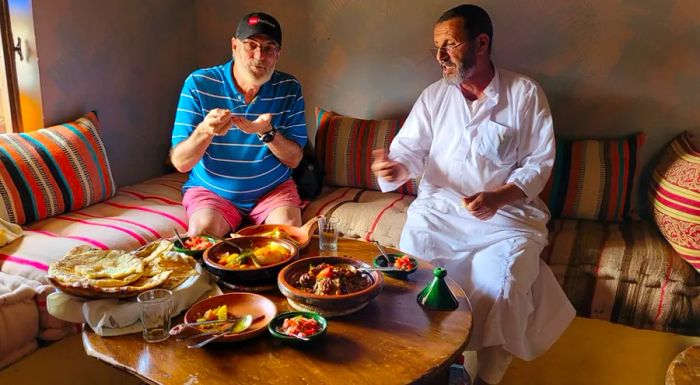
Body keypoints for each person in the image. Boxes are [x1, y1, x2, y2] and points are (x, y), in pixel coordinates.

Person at [371, 4, 575, 385]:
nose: (440, 56)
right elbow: (409, 150)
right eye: (436, 47)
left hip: (505, 219)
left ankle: (484, 380)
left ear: (481, 44)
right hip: (439, 213)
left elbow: (539, 162)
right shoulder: (434, 97)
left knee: (504, 287)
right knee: (416, 284)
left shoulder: (524, 94)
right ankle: (440, 367)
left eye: (449, 44)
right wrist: (396, 168)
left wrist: (498, 196)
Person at [170, 12, 307, 237]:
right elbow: (181, 163)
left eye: (269, 48)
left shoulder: (289, 87)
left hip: (273, 191)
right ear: (234, 46)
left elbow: (294, 159)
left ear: (278, 54)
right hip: (212, 193)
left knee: (287, 238)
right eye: (250, 45)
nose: (259, 55)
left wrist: (267, 132)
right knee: (202, 237)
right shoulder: (199, 83)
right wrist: (205, 130)